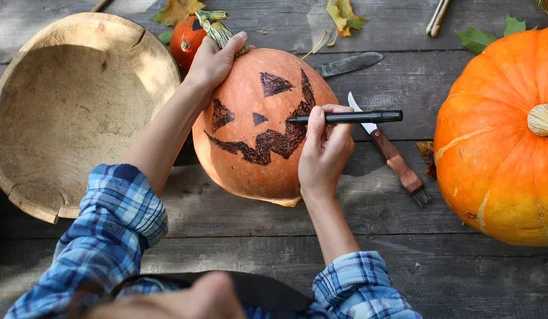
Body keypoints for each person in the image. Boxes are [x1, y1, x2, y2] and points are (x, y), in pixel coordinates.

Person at [7, 32, 421, 319]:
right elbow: (369, 303)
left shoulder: (54, 310)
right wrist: (320, 196)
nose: (217, 287)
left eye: (154, 307)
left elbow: (107, 223)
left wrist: (196, 88)